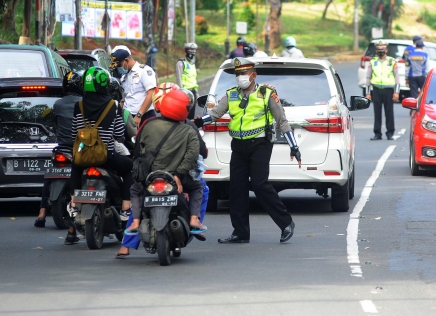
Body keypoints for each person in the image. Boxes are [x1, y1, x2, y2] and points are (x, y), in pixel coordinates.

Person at [194, 57, 299, 244]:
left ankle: (286, 223)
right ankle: (240, 232)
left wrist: (294, 146)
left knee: (260, 185)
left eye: (243, 73)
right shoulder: (231, 94)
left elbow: (281, 121)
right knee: (237, 188)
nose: (240, 77)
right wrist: (198, 122)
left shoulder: (266, 93)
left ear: (253, 75)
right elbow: (216, 114)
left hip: (260, 144)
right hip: (239, 145)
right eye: (237, 74)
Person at [116, 82, 210, 258]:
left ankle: (127, 243)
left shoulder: (148, 123)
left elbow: (137, 151)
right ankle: (195, 221)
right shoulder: (188, 127)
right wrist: (178, 175)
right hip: (178, 176)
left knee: (139, 192)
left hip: (149, 176)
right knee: (201, 188)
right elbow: (198, 153)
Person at [64, 66, 134, 245]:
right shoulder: (113, 105)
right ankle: (126, 207)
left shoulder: (78, 105)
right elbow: (119, 133)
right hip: (106, 156)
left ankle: (73, 203)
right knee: (130, 168)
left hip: (83, 155)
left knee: (75, 166)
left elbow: (74, 133)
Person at [34, 71, 83, 227]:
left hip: (62, 148)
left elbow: (55, 125)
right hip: (80, 149)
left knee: (49, 177)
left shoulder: (58, 104)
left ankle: (41, 213)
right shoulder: (84, 103)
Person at [111, 48, 158, 128]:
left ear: (126, 60)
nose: (118, 68)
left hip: (144, 116)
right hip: (128, 117)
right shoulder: (124, 77)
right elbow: (124, 99)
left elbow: (151, 94)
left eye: (119, 65)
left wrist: (139, 115)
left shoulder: (144, 71)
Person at [365, 41, 401, 141]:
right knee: (377, 113)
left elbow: (397, 77)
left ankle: (390, 133)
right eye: (379, 50)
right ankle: (377, 133)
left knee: (389, 112)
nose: (381, 51)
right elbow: (368, 77)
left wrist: (396, 92)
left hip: (389, 90)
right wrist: (368, 93)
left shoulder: (392, 61)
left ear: (386, 50)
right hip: (376, 90)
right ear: (376, 51)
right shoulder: (373, 62)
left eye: (383, 50)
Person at [175, 43, 199, 119]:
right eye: (189, 53)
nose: (191, 55)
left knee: (191, 116)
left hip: (193, 93)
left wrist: (197, 95)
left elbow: (194, 80)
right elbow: (179, 79)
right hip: (185, 92)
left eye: (193, 53)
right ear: (185, 52)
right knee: (184, 116)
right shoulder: (181, 63)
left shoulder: (192, 65)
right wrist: (182, 93)